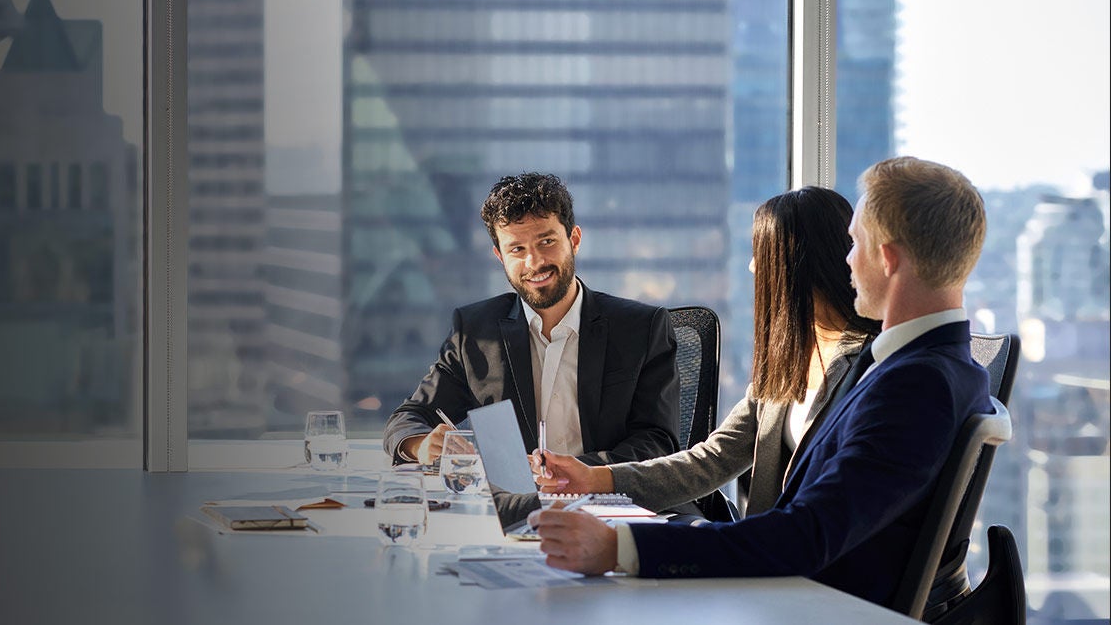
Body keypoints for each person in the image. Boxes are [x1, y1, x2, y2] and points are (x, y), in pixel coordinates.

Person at [530, 156, 994, 608]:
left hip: (809, 603)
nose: (847, 259)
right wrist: (600, 481)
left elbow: (808, 536)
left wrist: (619, 548)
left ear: (886, 259)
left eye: (855, 243)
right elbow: (733, 469)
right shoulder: (911, 367)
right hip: (790, 589)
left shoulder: (913, 386)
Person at [534, 186, 880, 516]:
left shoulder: (872, 363)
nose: (753, 267)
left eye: (761, 253)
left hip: (814, 560)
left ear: (794, 264)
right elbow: (713, 459)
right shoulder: (786, 360)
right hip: (769, 552)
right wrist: (596, 478)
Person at [382, 172, 679, 467]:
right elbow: (407, 419)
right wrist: (419, 444)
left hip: (613, 504)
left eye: (546, 241)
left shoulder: (642, 327)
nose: (534, 262)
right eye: (517, 249)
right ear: (500, 257)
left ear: (573, 240)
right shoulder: (475, 332)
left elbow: (658, 443)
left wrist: (581, 473)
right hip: (520, 508)